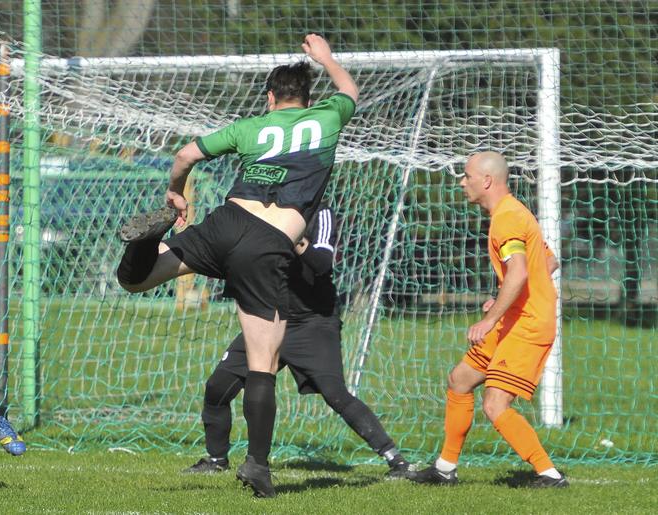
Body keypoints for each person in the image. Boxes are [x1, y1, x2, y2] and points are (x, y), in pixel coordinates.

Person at [115, 34, 358, 498]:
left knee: (137, 280)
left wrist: (177, 194)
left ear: (269, 98)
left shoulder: (249, 127)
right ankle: (258, 466)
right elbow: (349, 91)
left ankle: (148, 240)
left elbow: (186, 154)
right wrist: (325, 59)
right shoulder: (329, 117)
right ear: (308, 100)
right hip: (267, 243)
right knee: (263, 361)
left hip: (226, 222)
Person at [183, 204, 412, 481]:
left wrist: (294, 237)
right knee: (218, 387)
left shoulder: (320, 214)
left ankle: (396, 461)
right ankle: (216, 459)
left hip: (311, 324)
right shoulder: (260, 211)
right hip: (268, 317)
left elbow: (322, 264)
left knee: (334, 393)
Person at [410, 151, 567, 488]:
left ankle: (549, 474)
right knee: (460, 380)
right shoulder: (513, 213)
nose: (462, 182)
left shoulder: (507, 218)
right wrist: (504, 298)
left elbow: (520, 271)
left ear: (486, 180)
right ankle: (444, 468)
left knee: (495, 404)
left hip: (527, 325)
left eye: (466, 176)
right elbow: (548, 263)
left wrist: (489, 318)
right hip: (512, 318)